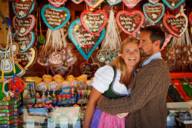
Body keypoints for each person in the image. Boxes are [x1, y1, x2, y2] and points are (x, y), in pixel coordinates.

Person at [97, 26, 171, 128]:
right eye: (139, 41)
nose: (140, 45)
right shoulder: (147, 65)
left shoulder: (155, 68)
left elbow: (134, 102)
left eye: (143, 41)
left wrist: (103, 103)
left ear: (156, 43)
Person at [83, 38, 140, 128]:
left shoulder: (139, 74)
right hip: (105, 122)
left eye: (135, 50)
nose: (132, 54)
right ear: (120, 54)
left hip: (128, 122)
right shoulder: (109, 72)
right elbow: (92, 101)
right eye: (127, 51)